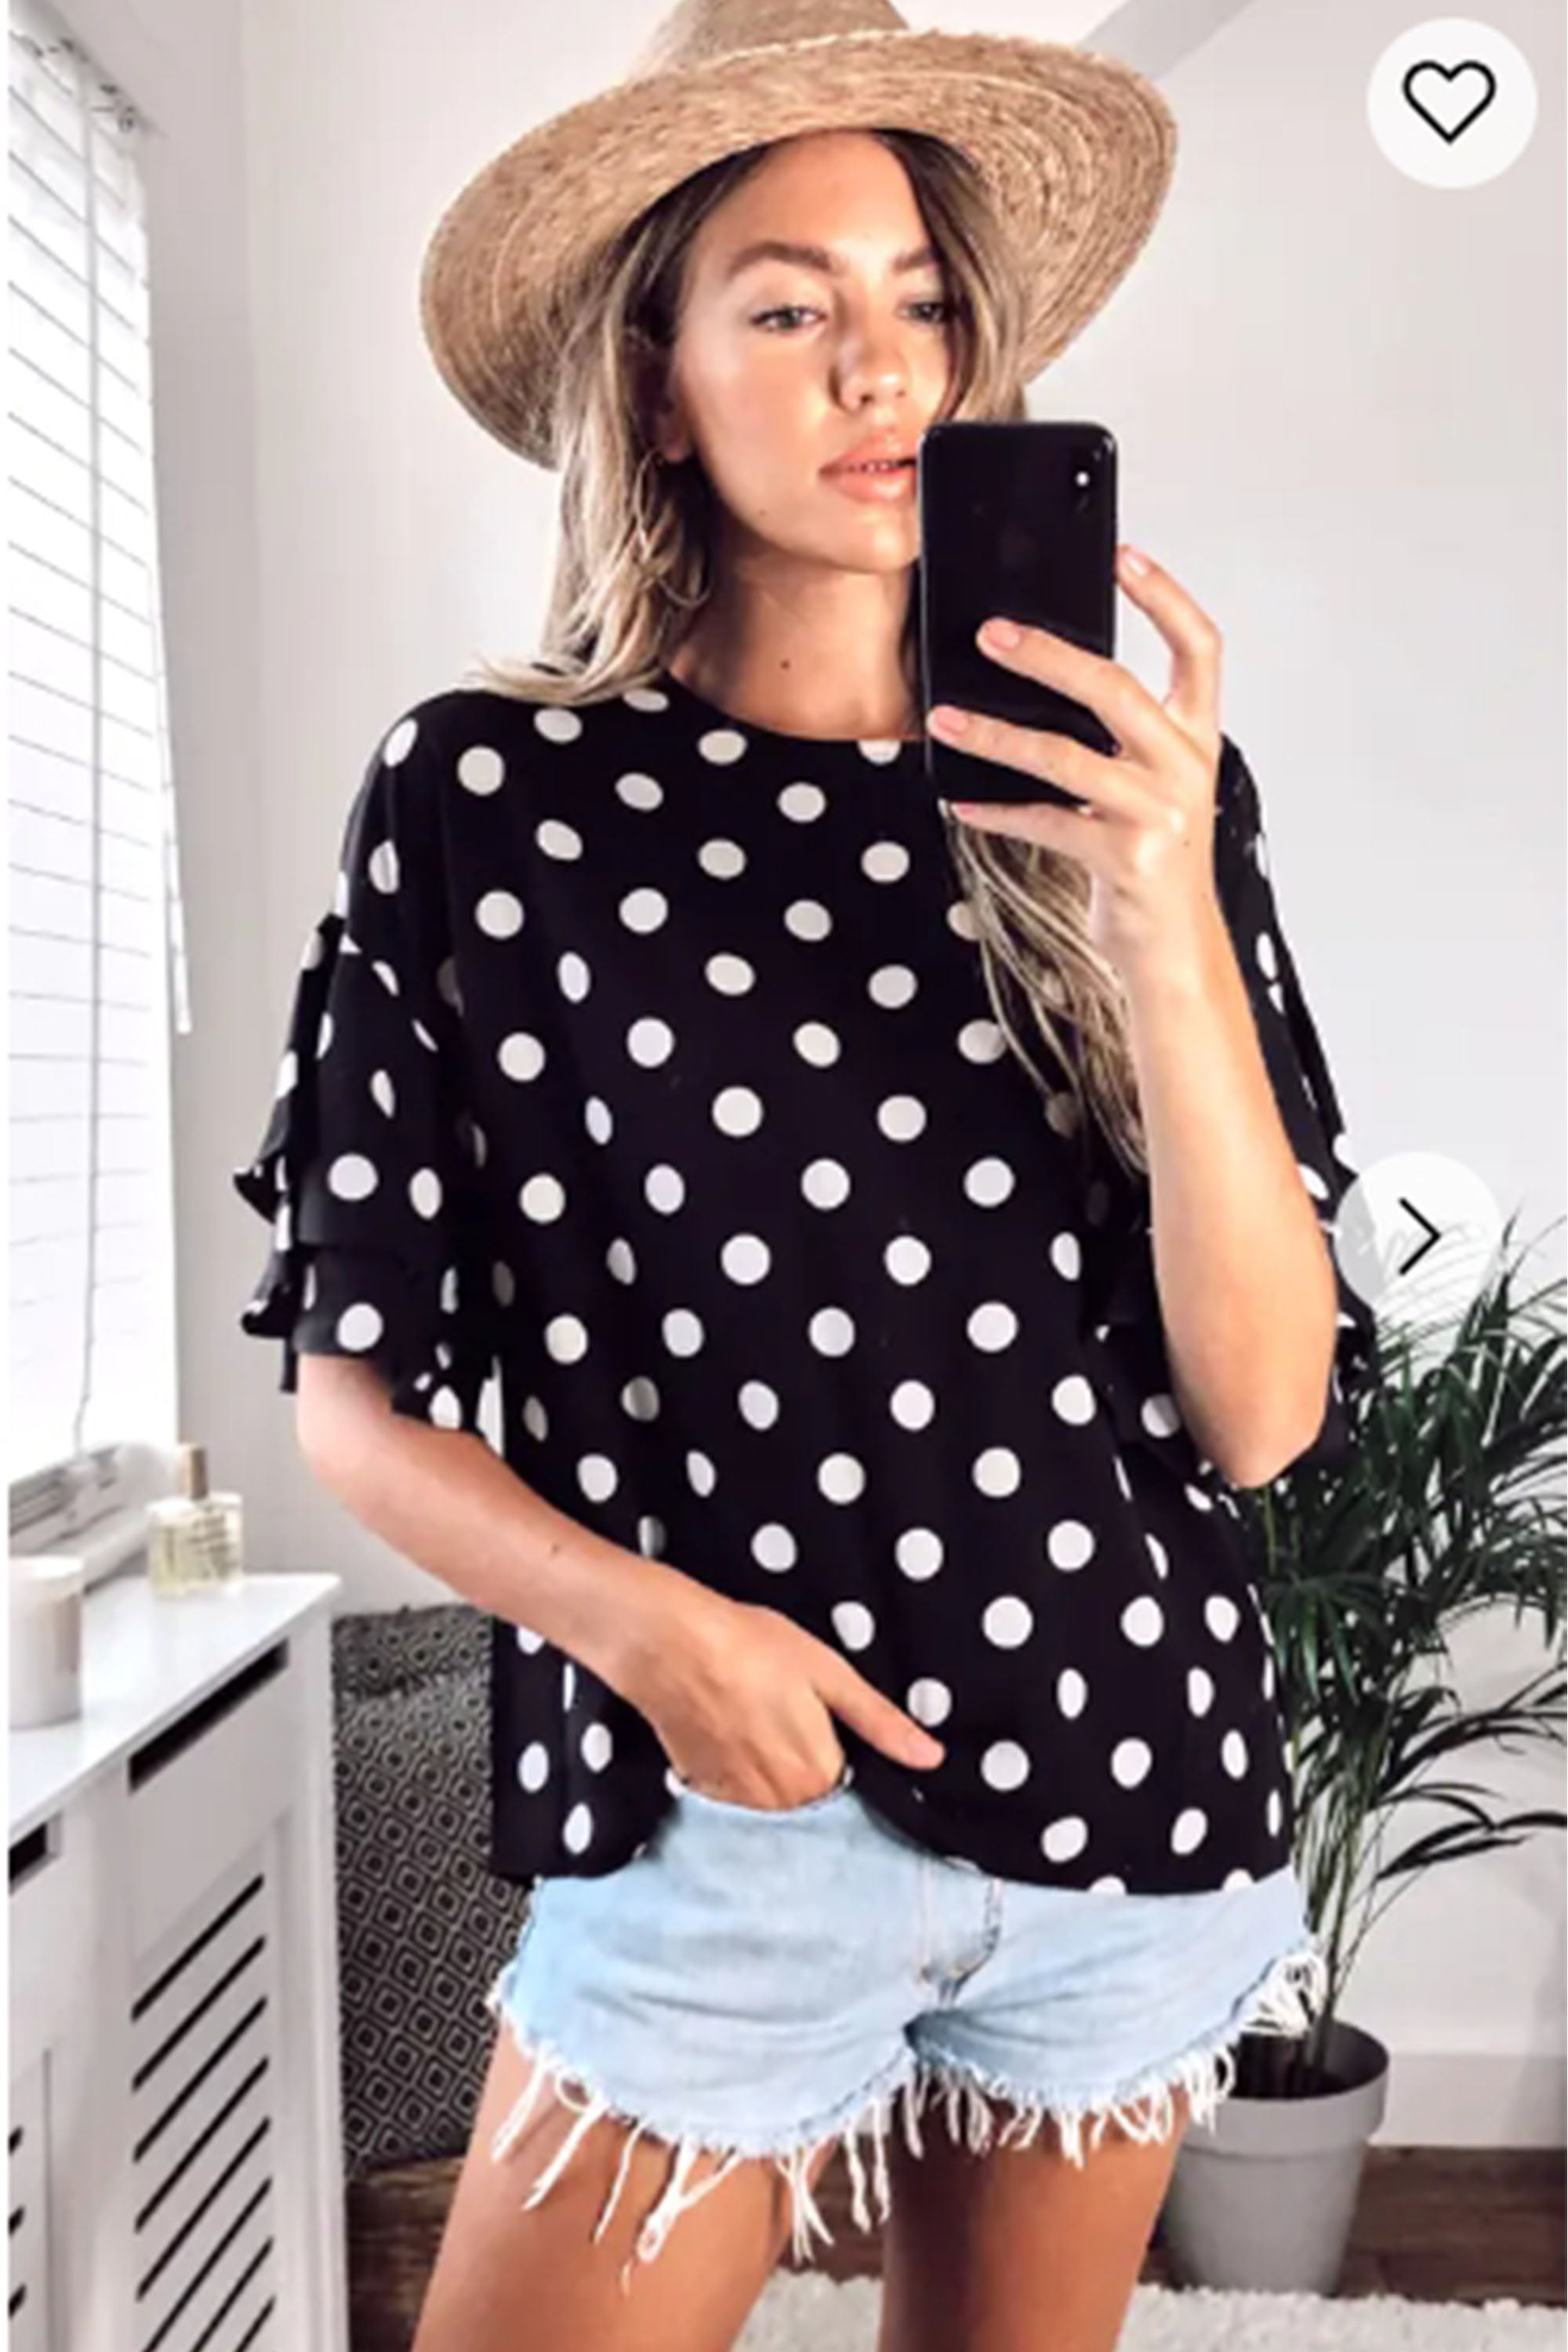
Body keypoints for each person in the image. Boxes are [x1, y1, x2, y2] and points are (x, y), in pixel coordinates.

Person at [232, 4, 1378, 2345]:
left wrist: (1163, 914)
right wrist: (660, 1642)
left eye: (925, 302)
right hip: (718, 1822)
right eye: (788, 307)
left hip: (1130, 1783)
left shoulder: (1136, 800)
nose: (882, 368)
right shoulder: (483, 801)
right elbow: (357, 1395)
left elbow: (1265, 1414)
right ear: (656, 384)